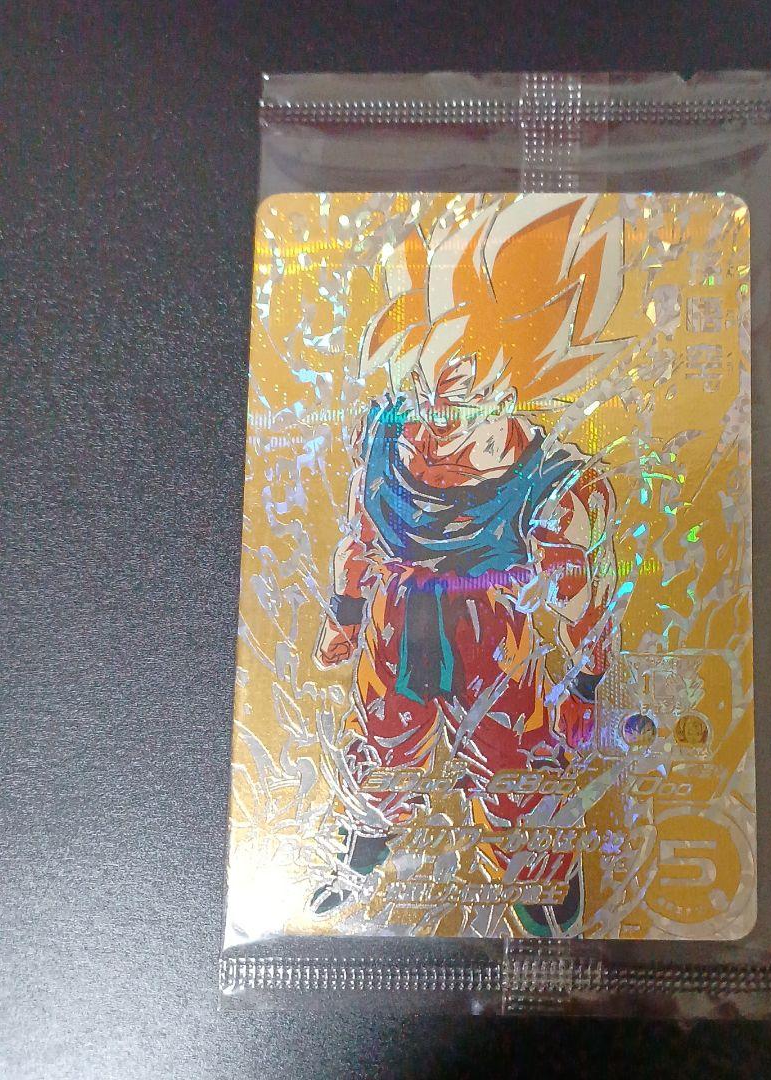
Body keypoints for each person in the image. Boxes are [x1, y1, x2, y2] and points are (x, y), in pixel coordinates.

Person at [311, 195, 624, 936]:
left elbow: (583, 594)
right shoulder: (383, 434)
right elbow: (359, 532)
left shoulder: (548, 481)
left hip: (492, 638)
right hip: (394, 626)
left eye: (463, 384)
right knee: (381, 742)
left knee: (512, 761)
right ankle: (364, 845)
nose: (435, 419)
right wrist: (345, 615)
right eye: (424, 383)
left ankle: (539, 880)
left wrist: (583, 681)